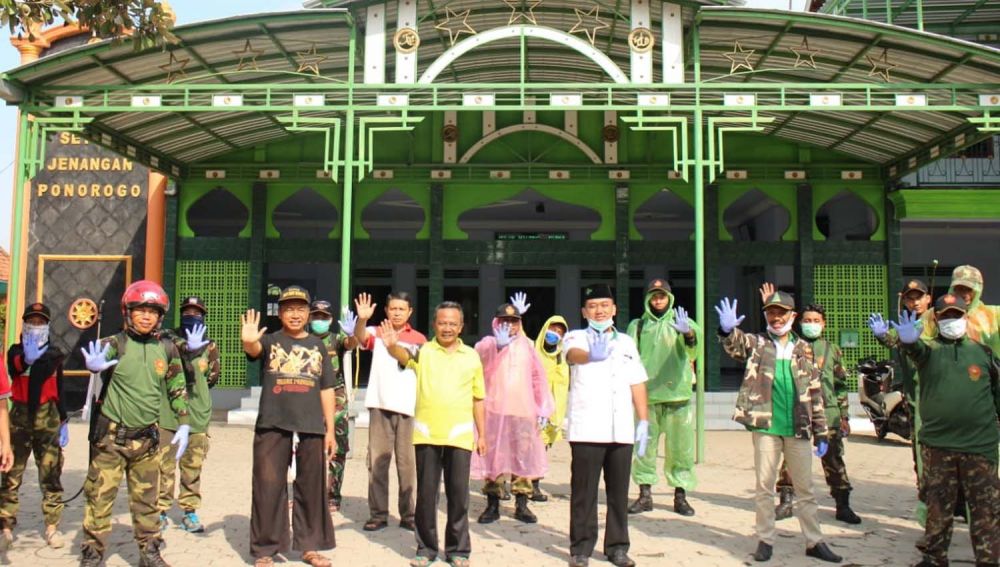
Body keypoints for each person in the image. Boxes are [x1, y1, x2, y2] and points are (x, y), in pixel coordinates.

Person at [715, 291, 841, 563]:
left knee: (805, 489)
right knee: (764, 486)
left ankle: (814, 541)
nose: (776, 317)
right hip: (766, 427)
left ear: (792, 316)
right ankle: (765, 540)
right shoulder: (759, 343)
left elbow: (815, 391)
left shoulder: (804, 348)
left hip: (798, 427)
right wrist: (727, 331)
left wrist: (821, 431)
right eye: (771, 312)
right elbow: (737, 345)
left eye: (781, 313)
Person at [78, 280, 191, 567]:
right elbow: (98, 357)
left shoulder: (166, 348)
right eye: (140, 310)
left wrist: (184, 423)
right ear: (127, 312)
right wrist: (93, 366)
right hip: (111, 439)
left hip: (147, 440)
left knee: (147, 501)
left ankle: (150, 552)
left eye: (153, 312)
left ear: (160, 317)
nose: (146, 317)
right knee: (100, 498)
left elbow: (177, 386)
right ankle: (93, 553)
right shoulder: (115, 344)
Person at [892, 294, 1000, 567]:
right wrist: (908, 341)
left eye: (956, 315)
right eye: (946, 316)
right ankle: (934, 557)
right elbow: (914, 350)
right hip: (939, 446)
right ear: (936, 319)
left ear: (966, 317)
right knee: (938, 506)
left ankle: (988, 559)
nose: (952, 320)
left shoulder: (984, 353)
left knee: (986, 509)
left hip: (980, 447)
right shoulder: (928, 351)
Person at [381, 301, 485, 567]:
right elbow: (403, 356)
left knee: (458, 496)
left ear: (461, 326)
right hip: (427, 434)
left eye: (452, 323)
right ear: (434, 325)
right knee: (427, 497)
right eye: (442, 323)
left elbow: (478, 398)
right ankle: (426, 549)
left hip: (459, 436)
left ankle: (458, 550)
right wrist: (391, 346)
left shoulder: (471, 356)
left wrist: (483, 434)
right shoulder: (424, 351)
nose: (447, 328)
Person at [242, 286, 337, 567]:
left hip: (311, 426)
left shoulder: (318, 346)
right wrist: (248, 341)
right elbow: (254, 350)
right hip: (272, 423)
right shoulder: (270, 340)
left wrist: (330, 430)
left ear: (308, 313)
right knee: (268, 486)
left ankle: (309, 546)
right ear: (280, 313)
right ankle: (265, 549)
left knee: (311, 489)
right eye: (289, 309)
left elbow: (327, 389)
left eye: (300, 309)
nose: (295, 314)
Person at [564, 284, 650, 567]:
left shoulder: (626, 342)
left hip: (621, 429)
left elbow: (637, 381)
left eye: (604, 305)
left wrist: (643, 420)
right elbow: (572, 355)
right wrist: (591, 355)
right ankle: (581, 549)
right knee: (584, 493)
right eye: (592, 306)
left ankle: (617, 547)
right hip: (587, 429)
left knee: (618, 494)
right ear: (584, 311)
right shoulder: (576, 337)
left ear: (614, 309)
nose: (599, 311)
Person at [760, 284, 859, 525]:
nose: (811, 324)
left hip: (829, 412)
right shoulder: (792, 346)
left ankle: (842, 504)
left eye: (816, 320)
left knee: (834, 459)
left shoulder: (832, 350)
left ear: (823, 324)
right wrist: (770, 303)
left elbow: (840, 384)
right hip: (799, 413)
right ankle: (786, 501)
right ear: (798, 321)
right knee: (790, 461)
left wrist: (844, 415)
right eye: (807, 320)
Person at [346, 291, 426, 532]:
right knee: (378, 463)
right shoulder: (376, 332)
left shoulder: (419, 339)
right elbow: (360, 337)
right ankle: (378, 514)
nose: (397, 313)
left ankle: (409, 515)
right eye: (393, 308)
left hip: (409, 408)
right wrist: (362, 319)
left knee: (407, 465)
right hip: (380, 406)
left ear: (410, 312)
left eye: (402, 309)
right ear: (386, 311)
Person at [472, 297, 554, 525]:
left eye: (514, 321)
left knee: (523, 457)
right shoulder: (487, 344)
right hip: (494, 412)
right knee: (493, 457)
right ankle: (493, 503)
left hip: (522, 412)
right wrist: (498, 347)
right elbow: (478, 365)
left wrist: (543, 408)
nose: (509, 325)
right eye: (504, 321)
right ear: (496, 322)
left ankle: (522, 503)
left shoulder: (527, 346)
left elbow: (538, 378)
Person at [625, 279, 700, 517]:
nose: (658, 301)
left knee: (681, 449)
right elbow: (629, 357)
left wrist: (688, 334)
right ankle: (645, 494)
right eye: (654, 296)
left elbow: (694, 351)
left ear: (670, 298)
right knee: (644, 447)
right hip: (646, 396)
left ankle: (680, 495)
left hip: (678, 395)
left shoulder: (684, 323)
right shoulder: (638, 326)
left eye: (662, 296)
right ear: (648, 299)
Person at [868, 279, 936, 528]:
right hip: (917, 404)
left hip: (941, 401)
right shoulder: (905, 326)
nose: (915, 302)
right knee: (922, 460)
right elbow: (894, 341)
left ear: (928, 298)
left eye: (919, 297)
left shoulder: (938, 321)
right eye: (910, 298)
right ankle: (930, 516)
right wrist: (882, 334)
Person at [0, 303, 68, 549]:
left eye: (40, 322)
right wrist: (26, 359)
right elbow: (14, 366)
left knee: (51, 474)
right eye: (31, 322)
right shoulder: (15, 352)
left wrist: (63, 421)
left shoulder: (55, 355)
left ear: (47, 326)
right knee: (11, 474)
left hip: (48, 419)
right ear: (24, 324)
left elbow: (59, 389)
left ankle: (52, 527)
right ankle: (6, 527)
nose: (36, 326)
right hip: (19, 419)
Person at [156, 296, 220, 534]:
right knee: (164, 465)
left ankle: (189, 511)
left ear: (204, 317)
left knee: (192, 467)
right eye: (187, 312)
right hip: (168, 414)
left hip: (197, 415)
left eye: (197, 313)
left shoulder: (209, 346)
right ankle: (160, 511)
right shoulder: (166, 339)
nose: (191, 316)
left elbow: (212, 377)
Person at [307, 299, 349, 513]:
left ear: (331, 319)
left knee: (337, 448)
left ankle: (333, 494)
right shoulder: (302, 340)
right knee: (305, 447)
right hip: (308, 395)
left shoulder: (337, 339)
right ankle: (307, 494)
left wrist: (355, 330)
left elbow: (353, 343)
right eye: (316, 316)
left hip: (336, 396)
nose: (319, 320)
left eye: (324, 317)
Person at [533, 314, 569, 502]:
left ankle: (534, 485)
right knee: (523, 448)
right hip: (530, 409)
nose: (555, 334)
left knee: (541, 449)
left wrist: (557, 416)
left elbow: (563, 387)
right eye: (552, 329)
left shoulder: (561, 358)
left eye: (559, 332)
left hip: (551, 413)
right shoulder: (532, 350)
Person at [949, 265, 1000, 352]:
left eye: (969, 289)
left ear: (979, 289)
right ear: (952, 289)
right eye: (960, 289)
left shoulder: (995, 314)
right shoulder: (937, 314)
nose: (964, 295)